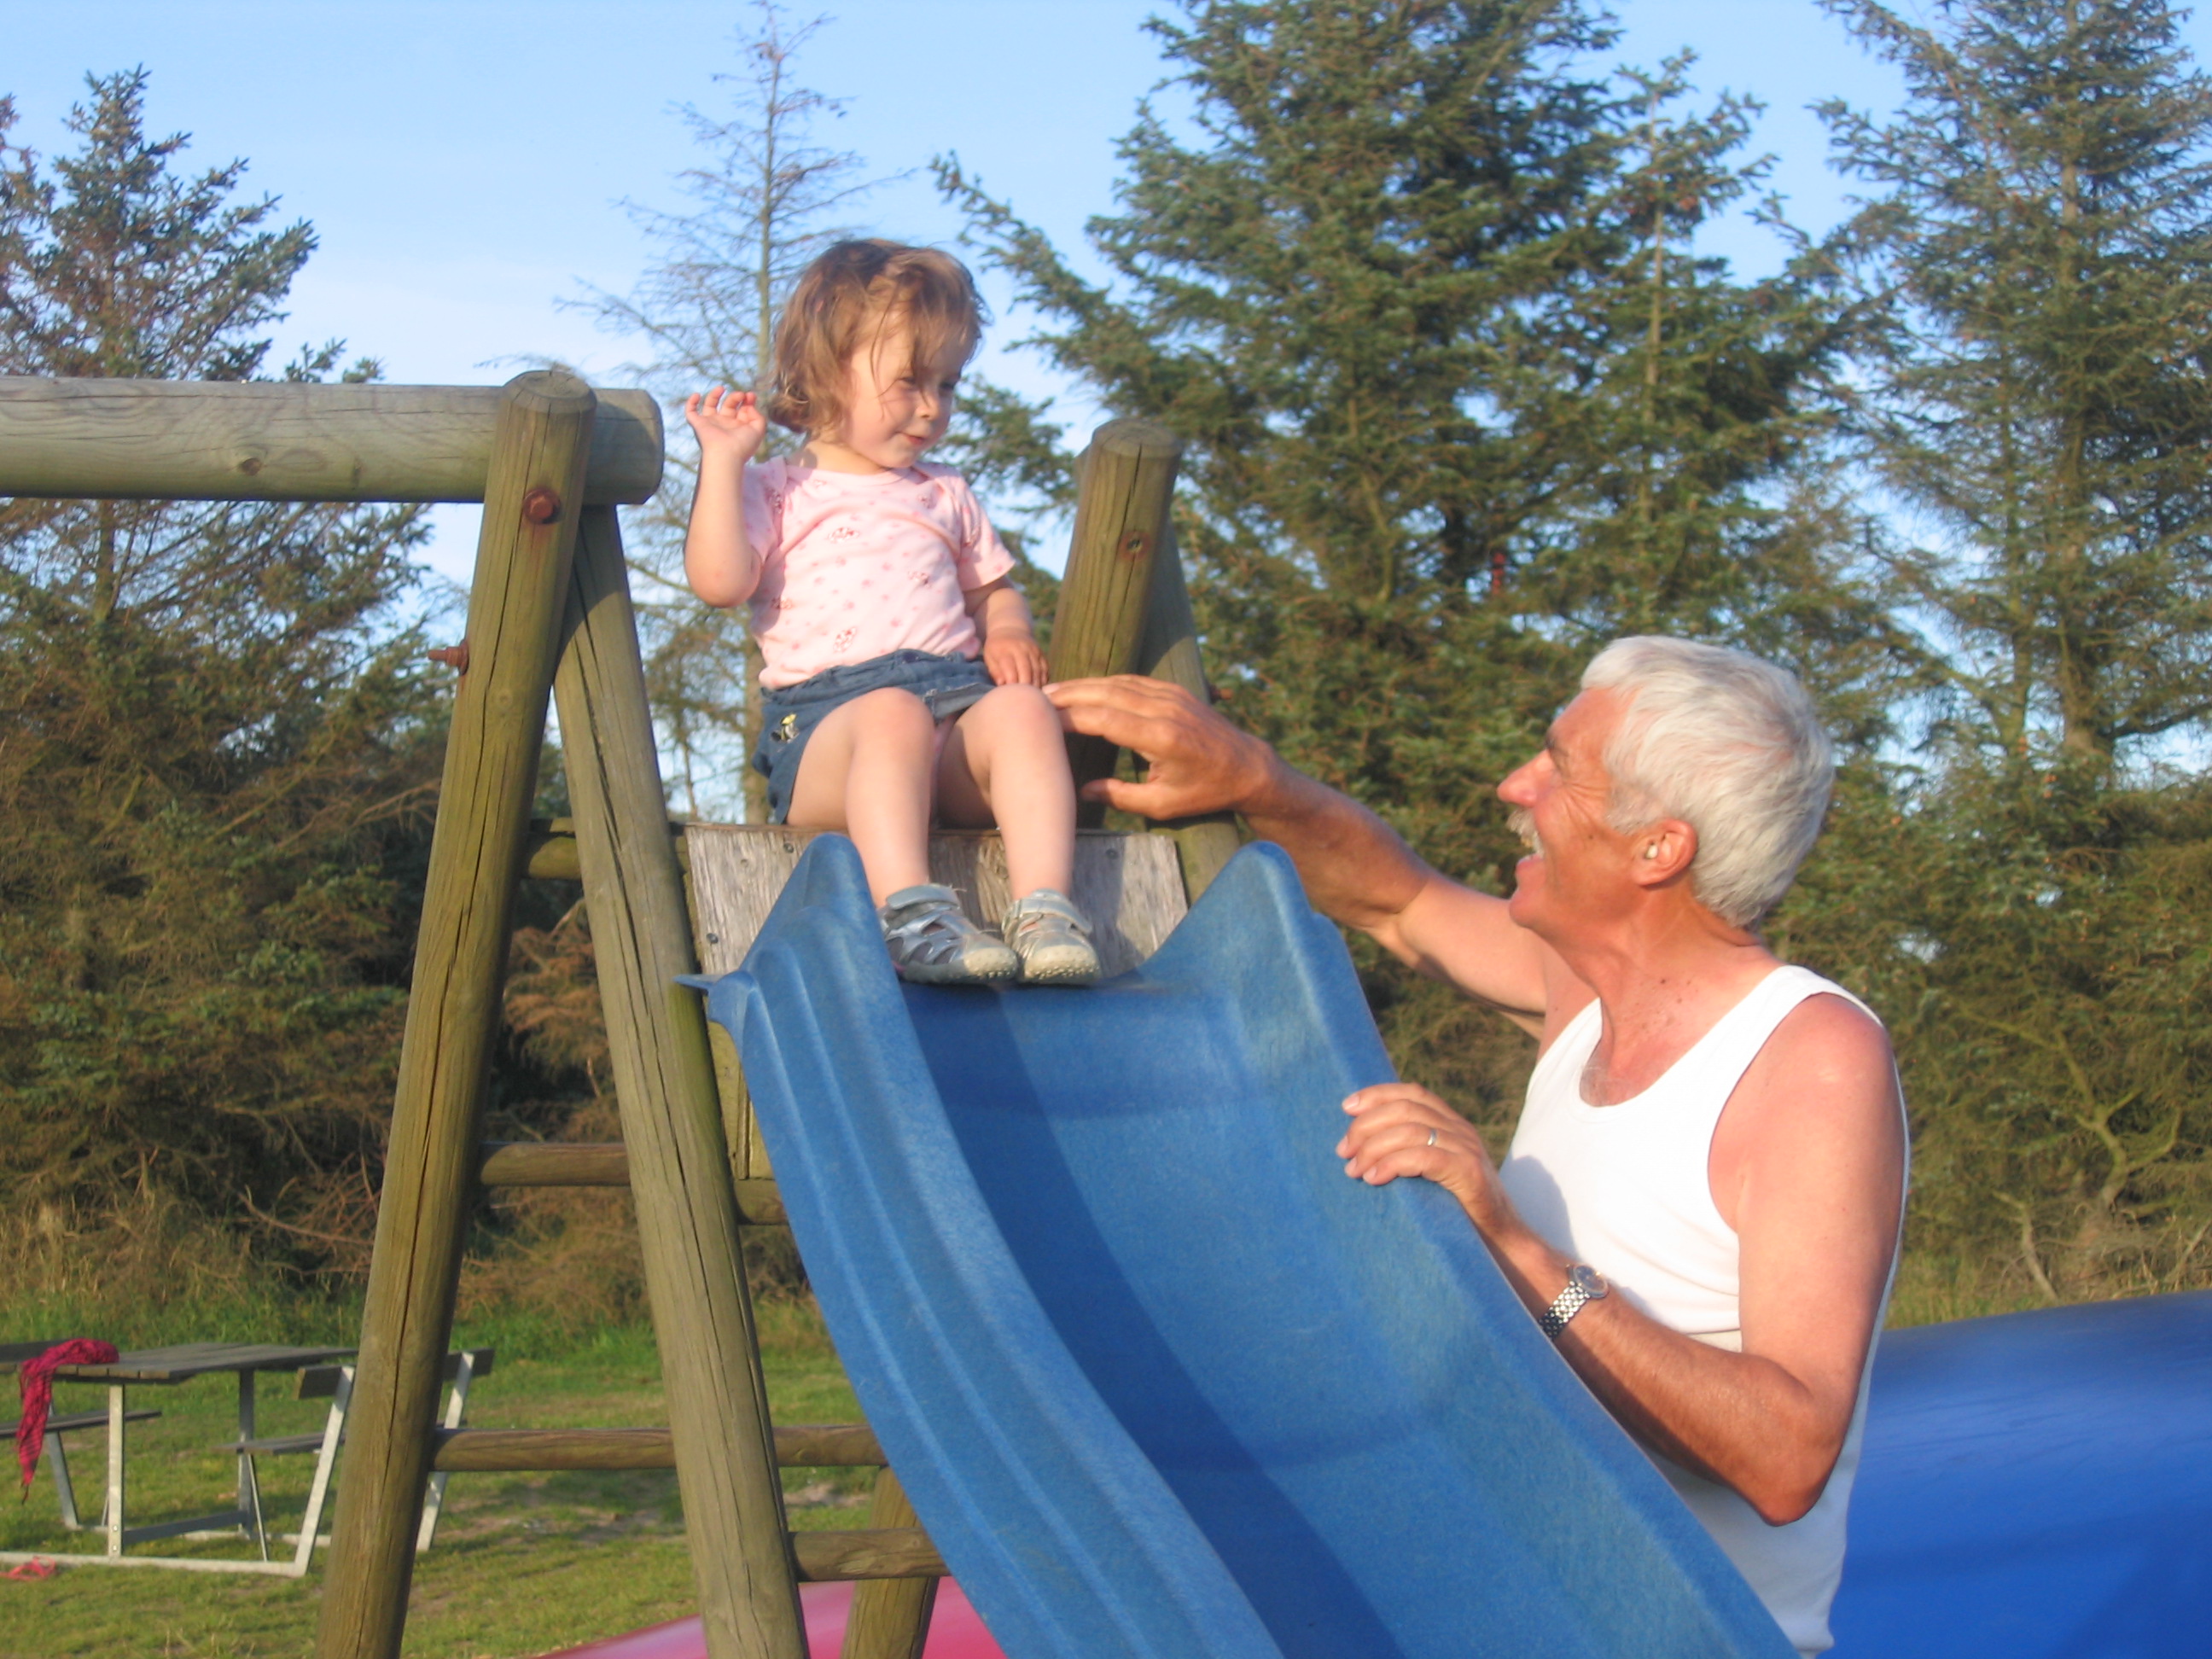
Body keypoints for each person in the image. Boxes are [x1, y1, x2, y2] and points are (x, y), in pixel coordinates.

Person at [1046, 638, 1906, 1657]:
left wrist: (1511, 1244)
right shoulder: (1585, 991)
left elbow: (1788, 1455)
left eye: (1560, 769)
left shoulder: (1810, 1057)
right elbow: (1398, 900)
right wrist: (1255, 781)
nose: (1515, 785)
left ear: (1657, 849)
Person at [683, 239, 1097, 986]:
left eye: (948, 383)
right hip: (825, 735)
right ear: (823, 368)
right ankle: (912, 918)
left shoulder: (944, 491)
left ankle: (1045, 911)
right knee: (891, 713)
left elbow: (993, 588)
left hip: (952, 715)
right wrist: (722, 462)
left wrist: (1008, 628)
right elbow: (719, 581)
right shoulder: (776, 487)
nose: (933, 406)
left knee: (1024, 711)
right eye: (910, 381)